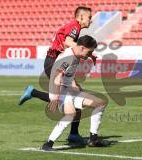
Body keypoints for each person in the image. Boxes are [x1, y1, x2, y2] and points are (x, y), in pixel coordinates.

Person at [18, 6, 96, 144]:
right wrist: (88, 52)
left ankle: (73, 133)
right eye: (89, 17)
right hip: (55, 62)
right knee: (71, 96)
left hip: (56, 61)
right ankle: (72, 134)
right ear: (81, 17)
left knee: (74, 94)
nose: (91, 20)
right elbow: (67, 42)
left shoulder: (74, 27)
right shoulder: (75, 26)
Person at [42, 35, 109, 151]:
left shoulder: (76, 52)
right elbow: (57, 79)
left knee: (100, 103)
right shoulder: (68, 58)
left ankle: (93, 138)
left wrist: (74, 84)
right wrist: (56, 98)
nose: (89, 55)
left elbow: (72, 45)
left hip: (67, 89)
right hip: (58, 90)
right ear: (82, 48)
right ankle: (48, 144)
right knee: (71, 114)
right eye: (89, 52)